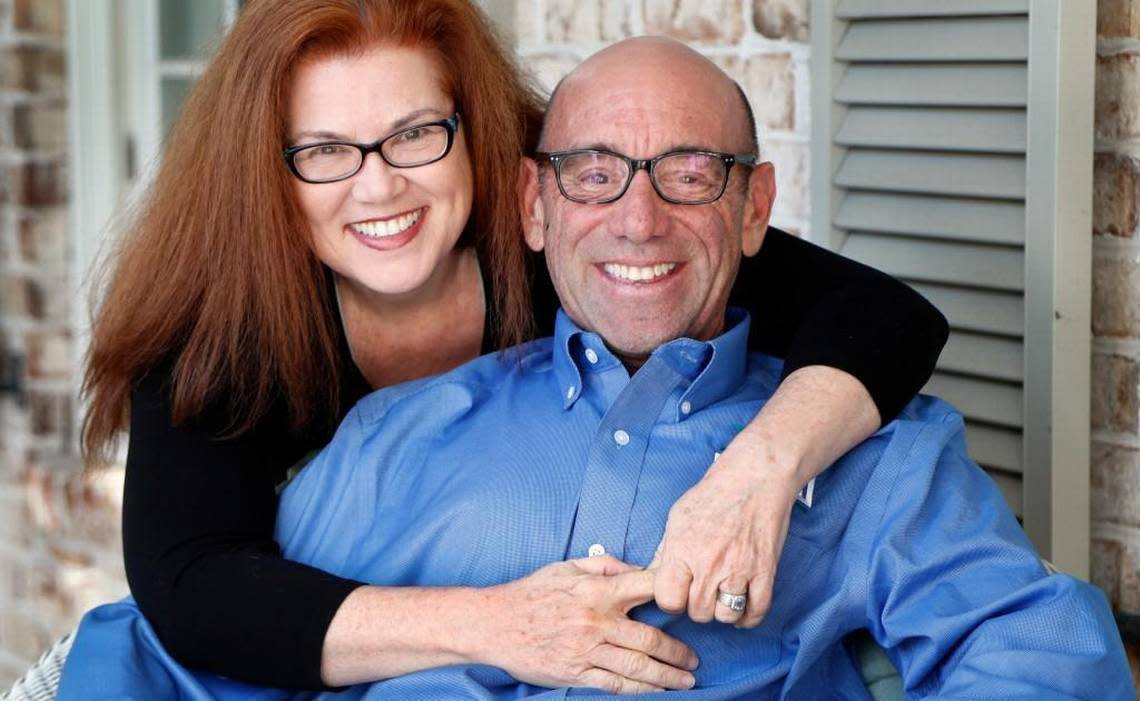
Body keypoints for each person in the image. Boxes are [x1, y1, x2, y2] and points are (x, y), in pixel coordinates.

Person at [60, 35, 1133, 700]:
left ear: (753, 208)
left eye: (688, 171)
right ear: (537, 203)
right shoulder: (391, 433)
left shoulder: (872, 456)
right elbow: (181, 631)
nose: (636, 215)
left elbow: (1040, 655)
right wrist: (497, 625)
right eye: (595, 173)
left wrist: (757, 473)